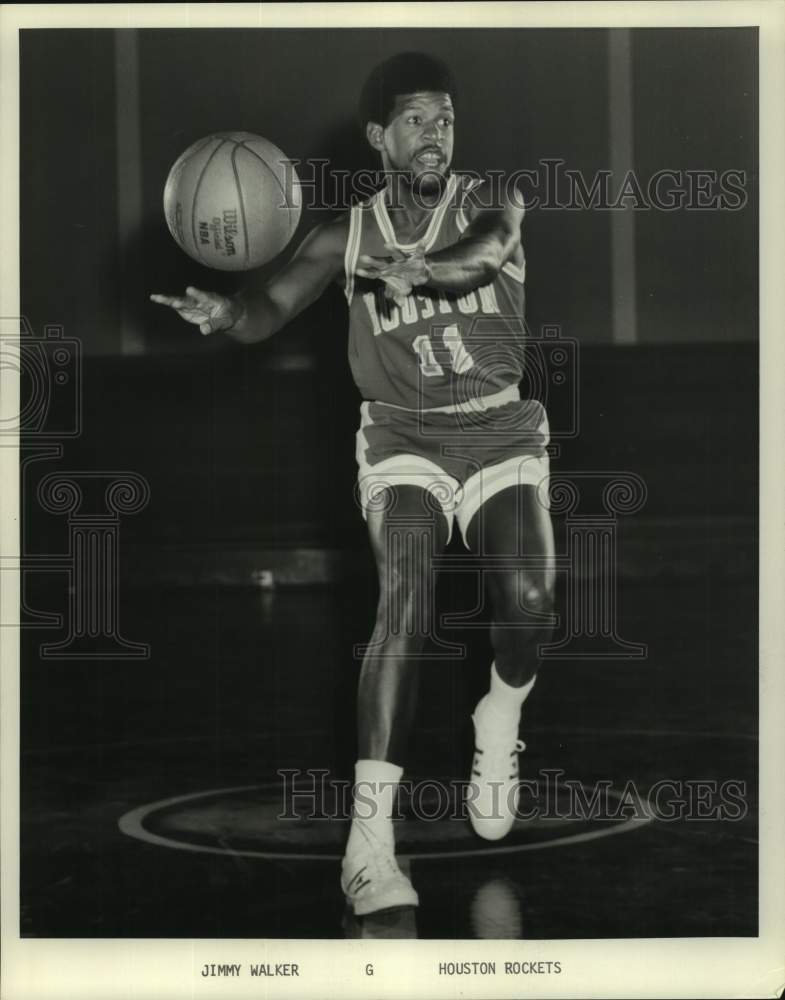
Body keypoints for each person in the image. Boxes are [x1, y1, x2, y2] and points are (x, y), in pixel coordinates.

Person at [151, 52, 555, 918]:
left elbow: (486, 255)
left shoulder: (496, 197)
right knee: (404, 595)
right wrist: (229, 316)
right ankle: (368, 848)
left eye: (443, 118)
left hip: (495, 427)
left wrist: (422, 272)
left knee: (526, 602)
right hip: (402, 434)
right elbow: (269, 307)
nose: (433, 134)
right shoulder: (344, 236)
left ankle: (499, 714)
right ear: (379, 137)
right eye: (414, 120)